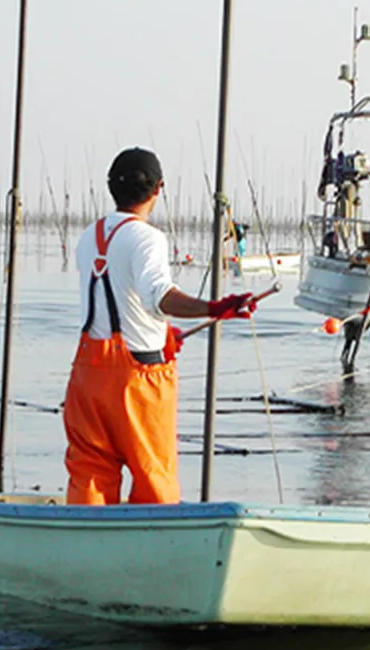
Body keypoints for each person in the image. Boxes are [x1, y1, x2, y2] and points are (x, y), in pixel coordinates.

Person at [63, 147, 255, 506]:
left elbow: (117, 301)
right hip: (138, 381)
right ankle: (151, 550)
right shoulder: (147, 238)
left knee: (89, 474)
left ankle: (85, 544)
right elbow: (161, 296)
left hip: (87, 376)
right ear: (158, 189)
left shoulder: (90, 236)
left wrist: (163, 333)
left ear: (110, 188)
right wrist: (214, 307)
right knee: (153, 476)